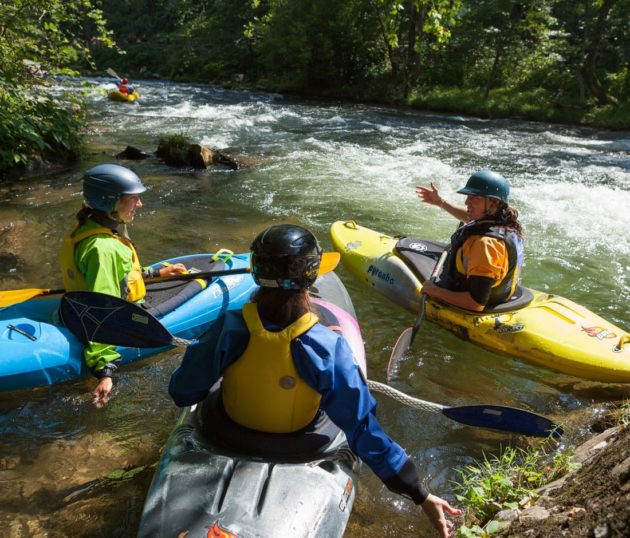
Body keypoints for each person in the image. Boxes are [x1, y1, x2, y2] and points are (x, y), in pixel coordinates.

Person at [168, 224, 461, 537]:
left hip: (227, 429)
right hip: (300, 441)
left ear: (256, 271)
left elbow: (183, 392)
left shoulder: (228, 326)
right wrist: (419, 493)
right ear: (311, 276)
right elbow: (363, 430)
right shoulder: (328, 346)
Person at [60, 164, 186, 407]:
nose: (140, 204)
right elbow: (101, 309)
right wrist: (105, 371)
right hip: (117, 314)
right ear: (111, 203)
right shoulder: (103, 248)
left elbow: (120, 275)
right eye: (133, 198)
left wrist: (157, 272)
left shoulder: (87, 229)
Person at [416, 169, 524, 312]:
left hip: (476, 302)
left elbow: (476, 303)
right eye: (468, 196)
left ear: (494, 203)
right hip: (500, 294)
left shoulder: (485, 245)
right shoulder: (506, 221)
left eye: (475, 199)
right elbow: (469, 217)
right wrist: (440, 202)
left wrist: (434, 291)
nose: (467, 202)